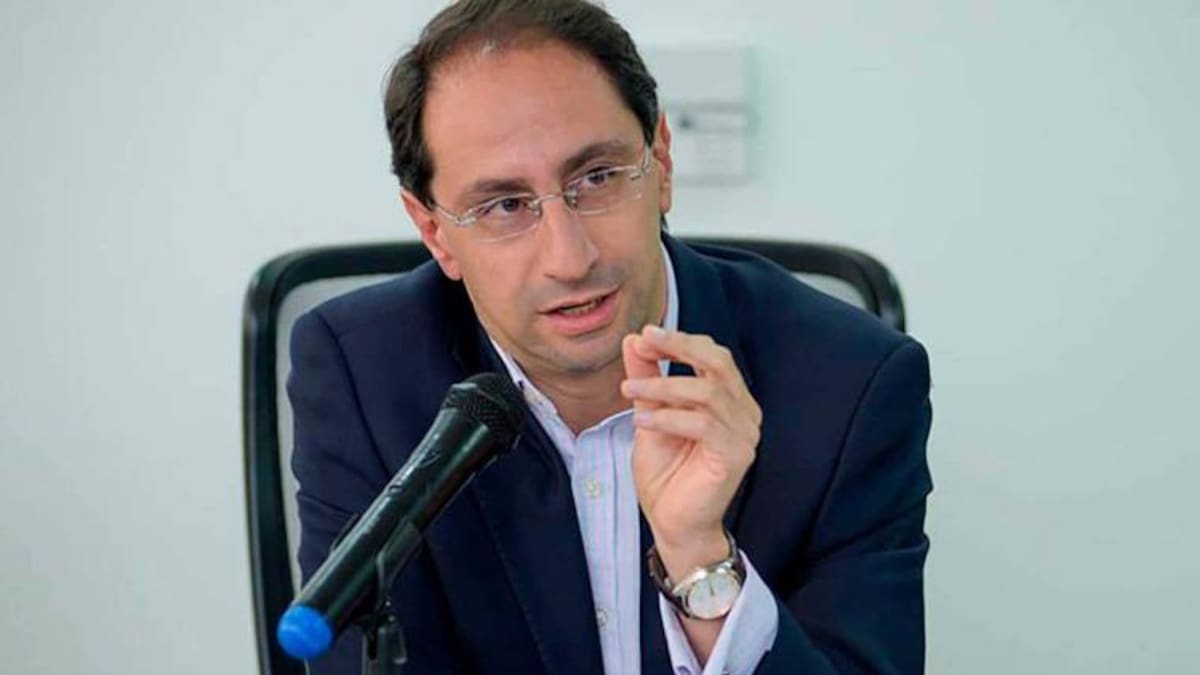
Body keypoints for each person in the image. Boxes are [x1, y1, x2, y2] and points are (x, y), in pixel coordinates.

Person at [288, 1, 934, 673]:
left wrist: (700, 560)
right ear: (434, 232)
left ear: (661, 162)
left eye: (596, 177)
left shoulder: (852, 382)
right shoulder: (361, 372)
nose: (569, 259)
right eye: (504, 205)